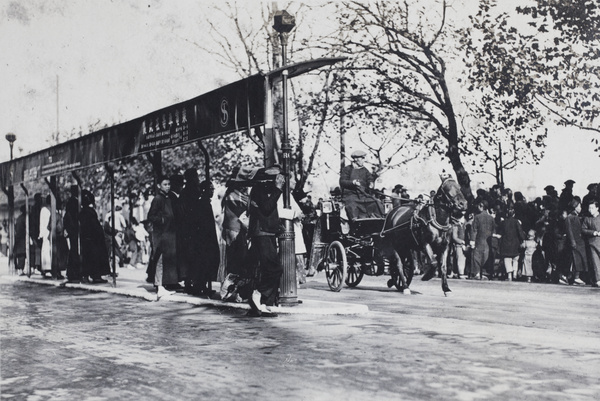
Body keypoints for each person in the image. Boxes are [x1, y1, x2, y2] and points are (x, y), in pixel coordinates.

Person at [247, 172, 285, 316]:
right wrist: (278, 189)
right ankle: (258, 294)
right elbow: (267, 207)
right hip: (262, 233)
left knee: (267, 268)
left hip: (265, 232)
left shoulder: (260, 190)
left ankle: (264, 304)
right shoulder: (261, 190)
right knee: (274, 268)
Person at [178, 169, 220, 297]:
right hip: (196, 233)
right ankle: (198, 285)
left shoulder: (189, 192)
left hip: (194, 232)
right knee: (199, 260)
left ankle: (198, 284)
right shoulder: (192, 193)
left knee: (199, 260)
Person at [147, 175, 178, 298]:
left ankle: (162, 285)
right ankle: (159, 286)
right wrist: (163, 220)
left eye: (169, 184)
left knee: (165, 260)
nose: (168, 187)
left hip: (168, 234)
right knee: (159, 260)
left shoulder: (169, 198)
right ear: (159, 185)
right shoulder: (158, 199)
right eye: (165, 184)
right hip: (160, 234)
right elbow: (151, 216)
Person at [221, 168, 250, 278]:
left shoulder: (231, 194)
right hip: (235, 231)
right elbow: (243, 213)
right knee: (236, 260)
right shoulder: (234, 196)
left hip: (233, 230)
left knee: (235, 260)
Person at [339, 150, 383, 220]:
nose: (363, 160)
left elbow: (369, 178)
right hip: (350, 195)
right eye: (361, 158)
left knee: (376, 202)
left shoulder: (364, 170)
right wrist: (353, 182)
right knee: (352, 205)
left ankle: (379, 220)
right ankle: (355, 222)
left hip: (363, 195)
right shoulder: (347, 169)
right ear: (355, 159)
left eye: (363, 158)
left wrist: (371, 183)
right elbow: (342, 182)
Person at [79, 190, 110, 284]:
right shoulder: (89, 212)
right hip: (93, 238)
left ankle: (88, 275)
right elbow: (94, 226)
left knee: (88, 258)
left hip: (87, 238)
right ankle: (96, 276)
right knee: (95, 258)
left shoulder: (83, 212)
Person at [469, 200, 495, 280]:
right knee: (486, 256)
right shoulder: (491, 218)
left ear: (481, 206)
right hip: (488, 240)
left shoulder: (477, 217)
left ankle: (476, 273)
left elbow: (474, 230)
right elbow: (493, 229)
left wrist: (472, 240)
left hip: (479, 239)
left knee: (476, 256)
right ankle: (484, 273)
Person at [564, 199, 588, 285]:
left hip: (579, 241)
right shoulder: (570, 218)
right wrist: (573, 241)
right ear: (575, 207)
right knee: (576, 259)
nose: (580, 208)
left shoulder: (576, 217)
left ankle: (575, 277)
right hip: (576, 242)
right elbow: (569, 231)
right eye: (579, 206)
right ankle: (575, 277)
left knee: (579, 259)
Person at [498, 208, 525, 281]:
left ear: (507, 214)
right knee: (515, 259)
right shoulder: (517, 222)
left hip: (506, 244)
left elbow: (501, 233)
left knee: (507, 259)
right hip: (515, 244)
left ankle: (509, 275)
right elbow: (520, 233)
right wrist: (523, 239)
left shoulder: (503, 223)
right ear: (514, 214)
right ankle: (515, 273)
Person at [63, 185, 81, 283]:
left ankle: (71, 273)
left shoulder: (70, 202)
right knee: (74, 250)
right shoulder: (75, 202)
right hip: (74, 229)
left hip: (71, 229)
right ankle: (74, 273)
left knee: (73, 250)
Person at [582, 200, 600, 287]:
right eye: (589, 208)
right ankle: (598, 280)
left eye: (592, 208)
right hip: (592, 243)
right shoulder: (587, 219)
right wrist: (594, 233)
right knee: (595, 262)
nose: (590, 210)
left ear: (597, 208)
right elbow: (583, 230)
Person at [38, 194, 52, 278]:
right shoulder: (44, 210)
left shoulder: (49, 209)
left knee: (49, 250)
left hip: (49, 232)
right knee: (46, 250)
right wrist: (41, 233)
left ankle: (50, 268)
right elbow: (42, 223)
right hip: (46, 232)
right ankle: (46, 268)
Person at [13, 206, 27, 275]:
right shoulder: (24, 218)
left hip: (18, 238)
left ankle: (19, 268)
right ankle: (20, 269)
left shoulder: (19, 218)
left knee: (19, 254)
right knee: (22, 254)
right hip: (22, 238)